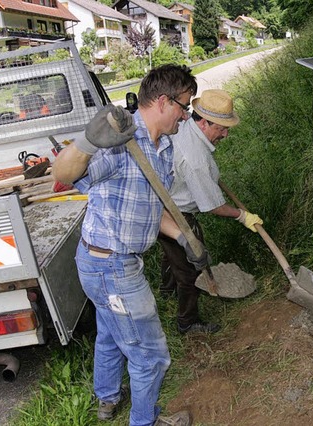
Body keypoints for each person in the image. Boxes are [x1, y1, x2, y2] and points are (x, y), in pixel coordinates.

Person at [52, 64, 204, 426]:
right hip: (110, 267)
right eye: (184, 106)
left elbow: (148, 207)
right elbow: (62, 175)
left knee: (110, 333)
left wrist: (185, 237)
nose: (187, 115)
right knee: (150, 355)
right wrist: (87, 143)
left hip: (108, 261)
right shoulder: (120, 141)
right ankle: (145, 421)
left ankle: (107, 399)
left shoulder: (163, 146)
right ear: (164, 102)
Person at [158, 89, 263, 334]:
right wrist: (242, 215)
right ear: (204, 122)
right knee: (193, 264)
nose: (226, 134)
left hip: (162, 202)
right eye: (221, 128)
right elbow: (213, 206)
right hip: (176, 212)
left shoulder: (184, 125)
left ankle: (166, 291)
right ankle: (188, 321)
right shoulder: (196, 159)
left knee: (171, 251)